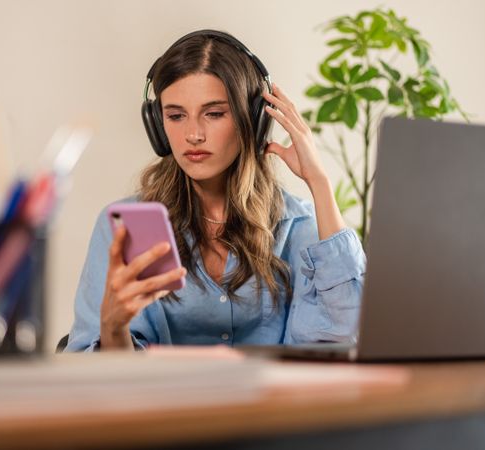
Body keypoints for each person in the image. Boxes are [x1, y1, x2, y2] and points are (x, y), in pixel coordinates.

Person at [64, 30, 365, 351]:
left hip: (270, 402)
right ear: (157, 126)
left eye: (214, 113)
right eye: (176, 116)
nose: (193, 134)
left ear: (253, 120)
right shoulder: (124, 229)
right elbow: (101, 376)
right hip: (166, 402)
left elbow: (344, 340)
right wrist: (113, 328)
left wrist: (319, 181)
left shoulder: (301, 226)